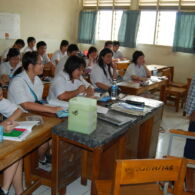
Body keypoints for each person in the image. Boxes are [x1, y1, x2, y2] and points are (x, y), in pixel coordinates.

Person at [8, 51, 62, 165]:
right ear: (30, 66)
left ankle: (44, 158)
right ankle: (37, 161)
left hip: (31, 116)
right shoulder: (17, 81)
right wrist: (51, 109)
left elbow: (36, 102)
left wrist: (53, 108)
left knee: (56, 133)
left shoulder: (37, 80)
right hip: (16, 119)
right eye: (40, 63)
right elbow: (26, 105)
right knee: (44, 142)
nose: (43, 66)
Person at [0, 87, 24, 195]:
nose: (1, 98)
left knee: (16, 151)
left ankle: (9, 191)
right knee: (14, 153)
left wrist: (7, 122)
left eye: (1, 94)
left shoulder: (1, 101)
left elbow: (19, 110)